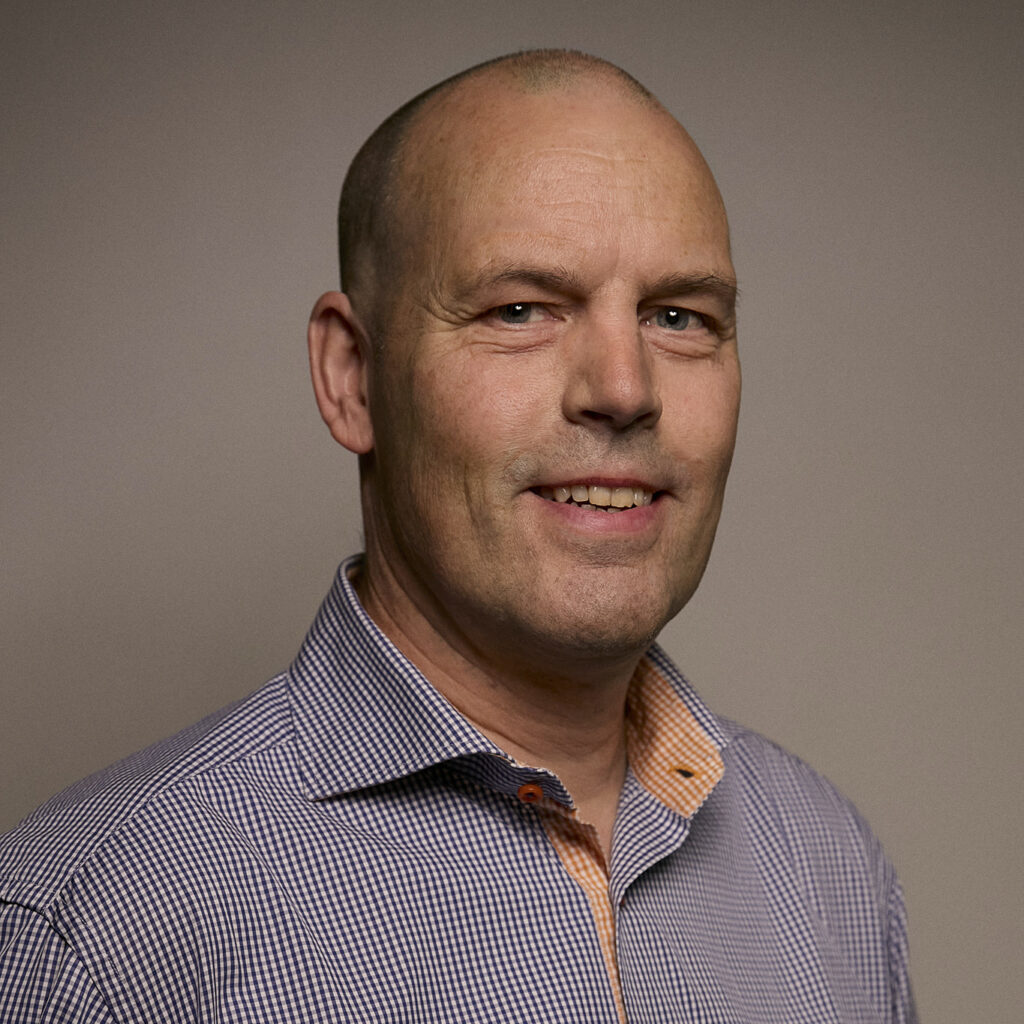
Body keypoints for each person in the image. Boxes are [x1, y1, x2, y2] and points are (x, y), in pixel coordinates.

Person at [0, 50, 916, 1022]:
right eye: (520, 308)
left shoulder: (831, 872)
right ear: (352, 376)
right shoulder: (90, 936)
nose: (624, 387)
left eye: (678, 316)